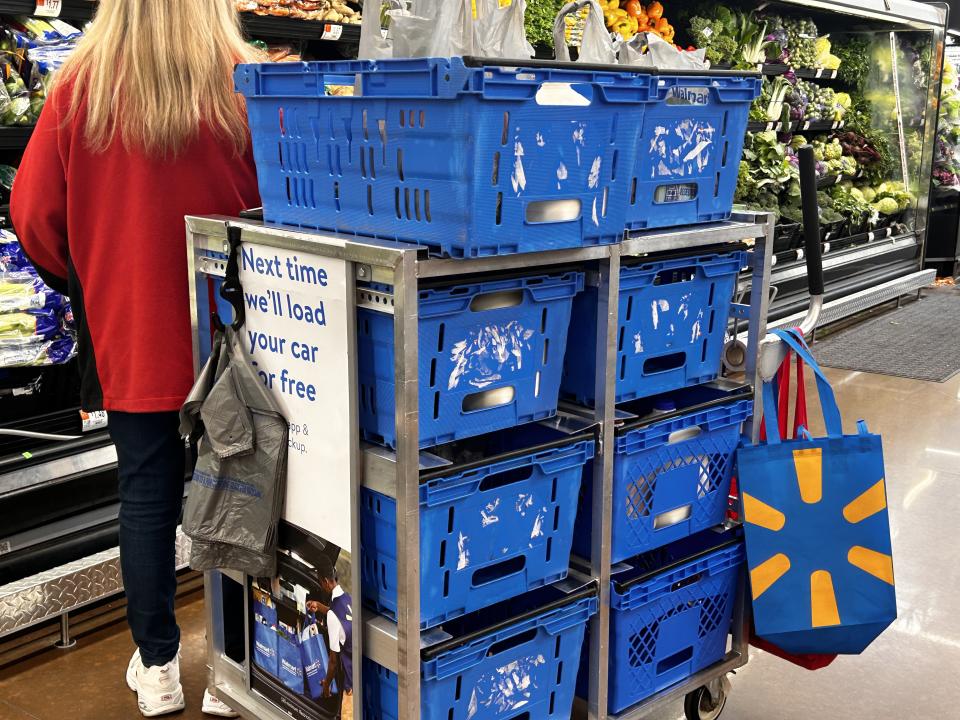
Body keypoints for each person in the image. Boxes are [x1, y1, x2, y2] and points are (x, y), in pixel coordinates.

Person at [10, 0, 261, 716]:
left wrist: (89, 274)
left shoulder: (80, 87)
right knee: (240, 491)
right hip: (233, 331)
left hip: (131, 327)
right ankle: (234, 667)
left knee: (146, 497)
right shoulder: (239, 79)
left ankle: (157, 668)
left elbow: (31, 215)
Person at [310, 554, 353, 719]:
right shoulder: (348, 599)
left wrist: (326, 686)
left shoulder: (333, 616)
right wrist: (320, 606)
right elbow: (340, 618)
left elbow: (333, 662)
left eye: (320, 582)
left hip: (351, 688)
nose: (321, 586)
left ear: (326, 582)